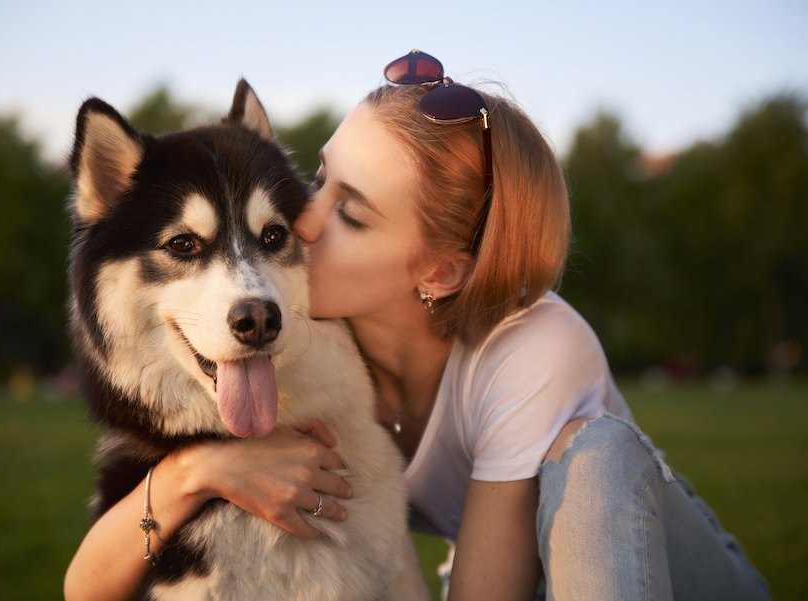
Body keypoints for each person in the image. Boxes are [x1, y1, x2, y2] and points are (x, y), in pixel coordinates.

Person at [65, 50, 769, 601]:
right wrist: (201, 467)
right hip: (537, 574)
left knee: (596, 452)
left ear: (437, 272)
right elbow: (86, 585)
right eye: (319, 178)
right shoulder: (324, 339)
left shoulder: (535, 349)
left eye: (353, 212)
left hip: (660, 572)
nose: (303, 218)